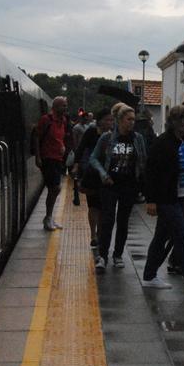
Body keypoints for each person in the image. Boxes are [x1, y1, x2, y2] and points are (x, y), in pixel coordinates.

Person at [140, 105, 184, 293]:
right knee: (181, 234)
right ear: (177, 123)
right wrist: (151, 200)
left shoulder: (180, 142)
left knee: (161, 236)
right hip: (167, 198)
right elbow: (151, 172)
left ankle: (149, 275)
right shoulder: (163, 143)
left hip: (180, 195)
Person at [89, 104, 143, 273]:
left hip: (129, 185)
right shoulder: (107, 138)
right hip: (110, 184)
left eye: (133, 119)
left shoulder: (137, 138)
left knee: (123, 221)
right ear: (119, 120)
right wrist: (103, 174)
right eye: (128, 119)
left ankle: (118, 254)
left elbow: (143, 160)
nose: (132, 122)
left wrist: (142, 183)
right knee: (107, 220)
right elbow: (93, 158)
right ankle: (102, 256)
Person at [75, 108, 112, 249]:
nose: (110, 122)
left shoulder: (113, 134)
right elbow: (81, 148)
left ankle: (100, 233)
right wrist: (76, 165)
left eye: (111, 120)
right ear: (100, 120)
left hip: (106, 174)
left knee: (103, 206)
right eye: (107, 120)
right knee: (93, 205)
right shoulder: (91, 132)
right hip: (91, 173)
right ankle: (93, 234)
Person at [33, 96, 70, 231]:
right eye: (63, 105)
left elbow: (60, 137)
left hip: (58, 158)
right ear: (55, 107)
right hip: (47, 158)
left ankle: (49, 217)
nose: (65, 108)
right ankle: (48, 217)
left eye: (66, 105)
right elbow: (36, 137)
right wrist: (38, 157)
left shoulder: (63, 121)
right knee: (55, 188)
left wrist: (63, 147)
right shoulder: (46, 120)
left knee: (54, 188)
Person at [70, 112, 92, 206]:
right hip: (79, 152)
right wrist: (76, 152)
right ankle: (77, 194)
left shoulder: (87, 127)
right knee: (79, 173)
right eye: (85, 118)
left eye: (87, 119)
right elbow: (74, 140)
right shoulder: (76, 128)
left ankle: (82, 187)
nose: (86, 120)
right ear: (82, 118)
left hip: (86, 152)